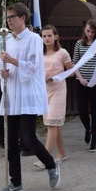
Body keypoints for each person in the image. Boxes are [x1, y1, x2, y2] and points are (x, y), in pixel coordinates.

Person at [0, 3, 60, 191]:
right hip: (12, 93)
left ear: (23, 18)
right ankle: (16, 183)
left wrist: (13, 61)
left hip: (27, 94)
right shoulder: (7, 40)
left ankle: (51, 164)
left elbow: (33, 67)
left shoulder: (33, 39)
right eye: (7, 18)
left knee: (28, 138)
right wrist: (3, 72)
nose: (9, 21)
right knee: (10, 141)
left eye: (12, 17)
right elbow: (1, 67)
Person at [31, 25, 73, 167]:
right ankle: (61, 152)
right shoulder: (39, 53)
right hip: (44, 90)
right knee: (54, 122)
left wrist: (56, 76)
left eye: (49, 35)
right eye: (44, 36)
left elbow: (71, 72)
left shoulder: (62, 53)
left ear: (56, 37)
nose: (47, 38)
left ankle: (46, 157)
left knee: (51, 123)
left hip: (59, 89)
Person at [72, 19, 96, 152]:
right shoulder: (79, 44)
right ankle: (88, 128)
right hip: (82, 82)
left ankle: (94, 141)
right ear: (84, 31)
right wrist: (80, 78)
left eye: (92, 31)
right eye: (88, 31)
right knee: (82, 110)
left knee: (95, 111)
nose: (90, 34)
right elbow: (75, 63)